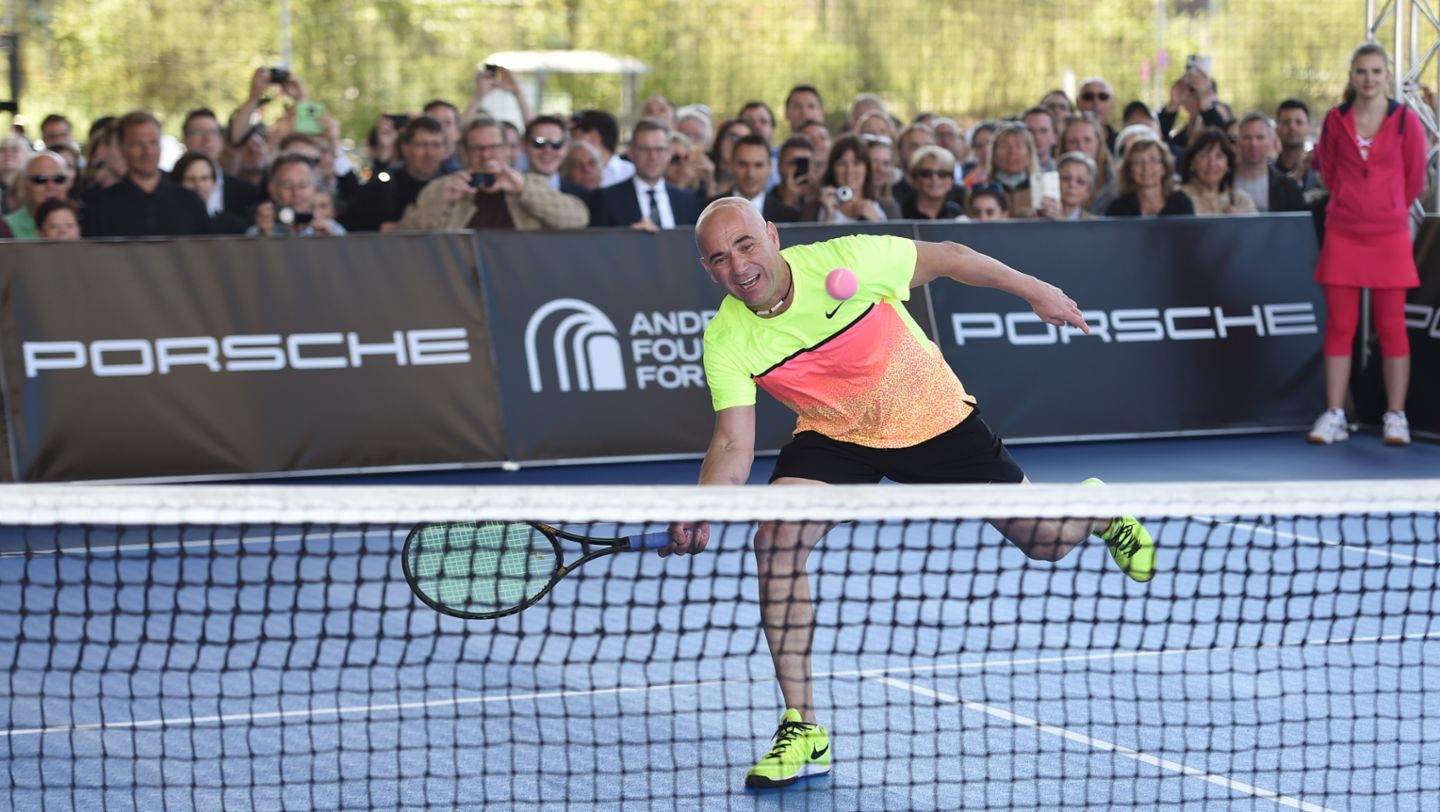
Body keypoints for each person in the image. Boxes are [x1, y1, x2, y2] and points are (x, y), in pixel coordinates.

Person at [665, 198, 1156, 789]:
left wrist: (1035, 290)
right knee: (775, 540)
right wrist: (702, 507)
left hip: (930, 414)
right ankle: (804, 729)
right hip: (837, 434)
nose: (739, 266)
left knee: (1045, 541)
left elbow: (949, 256)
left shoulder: (847, 261)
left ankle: (1094, 511)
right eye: (720, 258)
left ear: (772, 235)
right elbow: (731, 443)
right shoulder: (726, 337)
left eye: (746, 244)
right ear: (707, 268)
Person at [1307, 43, 1426, 447]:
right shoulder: (1334, 119)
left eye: (1376, 71)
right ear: (1352, 76)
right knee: (1340, 325)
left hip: (1389, 236)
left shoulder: (1407, 120)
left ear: (1387, 76)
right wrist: (1352, 204)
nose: (1369, 79)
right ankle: (1335, 414)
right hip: (1343, 233)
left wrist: (1386, 208)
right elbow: (1327, 171)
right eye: (1362, 71)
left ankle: (1396, 416)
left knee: (1392, 326)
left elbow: (1415, 179)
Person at [399, 115, 587, 232]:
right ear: (464, 153)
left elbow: (578, 219)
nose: (486, 155)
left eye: (494, 147)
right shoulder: (443, 187)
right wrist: (441, 201)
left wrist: (523, 189)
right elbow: (405, 233)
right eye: (477, 148)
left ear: (507, 150)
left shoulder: (529, 183)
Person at [84, 111, 212, 237]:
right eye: (138, 144)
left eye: (153, 142)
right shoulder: (101, 206)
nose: (148, 151)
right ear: (122, 148)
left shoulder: (189, 202)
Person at [589, 117, 701, 230]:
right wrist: (627, 236)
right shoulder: (606, 199)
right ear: (631, 152)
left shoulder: (688, 201)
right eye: (644, 149)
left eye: (659, 149)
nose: (652, 156)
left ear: (669, 153)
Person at [340, 116, 447, 232]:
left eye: (436, 145)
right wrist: (379, 228)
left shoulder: (451, 187)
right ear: (405, 148)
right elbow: (348, 224)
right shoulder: (383, 186)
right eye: (422, 145)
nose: (430, 153)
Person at [804, 134, 896, 222]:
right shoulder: (813, 210)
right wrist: (829, 217)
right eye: (842, 163)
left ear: (867, 169)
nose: (849, 170)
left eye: (856, 163)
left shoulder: (888, 208)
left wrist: (876, 222)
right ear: (833, 168)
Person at [248, 154, 347, 236]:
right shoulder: (258, 232)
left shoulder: (333, 230)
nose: (296, 193)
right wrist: (263, 236)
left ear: (314, 188)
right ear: (272, 189)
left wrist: (330, 243)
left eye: (303, 186)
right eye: (287, 186)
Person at [1232, 113, 1306, 213]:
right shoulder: (1221, 182)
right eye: (1247, 137)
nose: (1254, 143)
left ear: (1271, 141)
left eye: (1260, 137)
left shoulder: (1288, 187)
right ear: (1238, 142)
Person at [1103, 137, 1195, 217]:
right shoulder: (1117, 209)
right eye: (1138, 161)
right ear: (1129, 170)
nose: (1146, 167)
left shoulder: (1181, 203)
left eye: (1153, 160)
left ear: (1164, 167)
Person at [1177, 128, 1256, 215]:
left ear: (1228, 164)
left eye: (1219, 156)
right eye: (1204, 155)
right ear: (1192, 162)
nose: (1212, 163)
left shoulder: (1240, 200)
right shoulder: (1179, 198)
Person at [171, 151, 249, 234]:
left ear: (214, 183)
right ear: (177, 183)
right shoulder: (168, 222)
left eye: (204, 178)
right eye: (191, 179)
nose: (199, 185)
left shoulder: (233, 225)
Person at [4, 151, 73, 239]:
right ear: (24, 185)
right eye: (40, 179)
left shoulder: (83, 221)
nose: (50, 186)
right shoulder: (5, 227)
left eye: (58, 179)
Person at [900, 145, 963, 219]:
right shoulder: (900, 213)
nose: (935, 179)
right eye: (927, 174)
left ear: (951, 180)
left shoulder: (958, 215)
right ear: (914, 178)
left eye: (942, 174)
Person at [1037, 152, 1097, 220]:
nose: (1072, 185)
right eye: (1066, 178)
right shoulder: (1035, 218)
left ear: (1089, 190)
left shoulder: (1096, 224)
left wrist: (1061, 221)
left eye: (1080, 181)